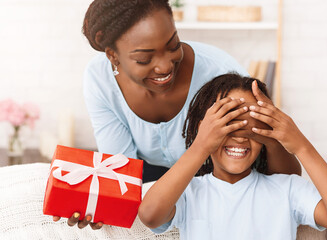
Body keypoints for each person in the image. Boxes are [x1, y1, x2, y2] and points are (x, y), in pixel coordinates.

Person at [54, 0, 300, 229]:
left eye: (173, 45)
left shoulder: (220, 73)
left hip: (213, 173)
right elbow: (120, 170)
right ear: (112, 55)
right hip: (151, 177)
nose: (165, 66)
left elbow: (277, 172)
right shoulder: (99, 79)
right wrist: (102, 204)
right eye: (144, 58)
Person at [139, 73, 327, 239]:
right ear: (205, 130)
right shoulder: (189, 193)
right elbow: (150, 215)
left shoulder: (287, 189)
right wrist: (200, 146)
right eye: (228, 127)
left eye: (251, 129)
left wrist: (302, 146)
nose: (239, 138)